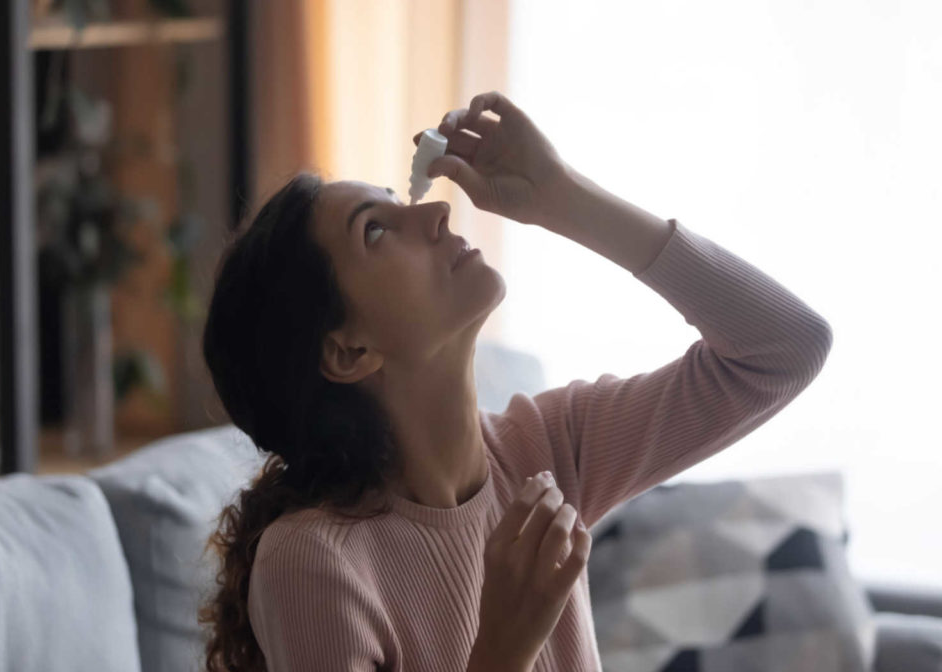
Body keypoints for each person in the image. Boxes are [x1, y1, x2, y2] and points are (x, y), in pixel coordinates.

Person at [197, 91, 834, 672]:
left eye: (399, 202)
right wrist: (503, 648)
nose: (437, 214)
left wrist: (561, 196)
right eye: (375, 230)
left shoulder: (547, 451)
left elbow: (786, 347)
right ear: (347, 350)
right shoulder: (313, 566)